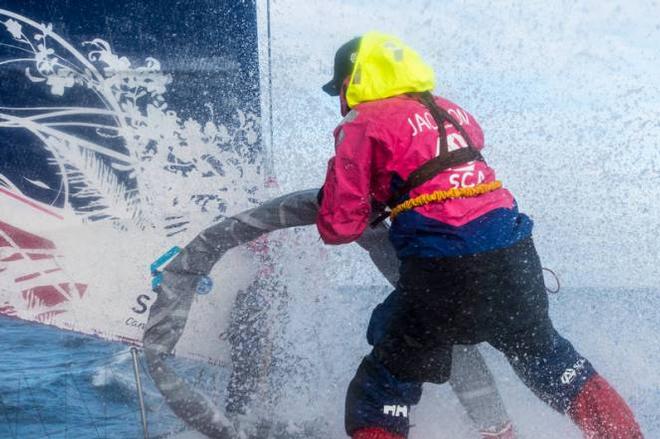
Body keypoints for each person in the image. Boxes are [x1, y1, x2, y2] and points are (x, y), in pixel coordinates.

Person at [316, 32, 643, 439]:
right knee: (557, 367)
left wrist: (336, 188)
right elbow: (441, 180)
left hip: (443, 275)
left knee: (378, 394)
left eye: (339, 91)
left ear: (351, 83)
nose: (340, 102)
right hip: (517, 260)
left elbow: (338, 226)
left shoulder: (362, 122)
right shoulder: (453, 112)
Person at [183, 189, 516, 437]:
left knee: (430, 342)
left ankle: (495, 426)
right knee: (431, 337)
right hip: (452, 257)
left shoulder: (385, 152)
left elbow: (350, 213)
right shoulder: (434, 157)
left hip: (431, 261)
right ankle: (497, 427)